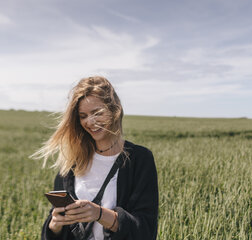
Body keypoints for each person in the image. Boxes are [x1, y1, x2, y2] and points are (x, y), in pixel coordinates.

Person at [32, 76, 158, 240]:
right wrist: (54, 225)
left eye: (97, 113)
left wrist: (99, 213)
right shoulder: (72, 161)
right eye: (83, 116)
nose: (90, 122)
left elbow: (145, 230)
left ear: (114, 109)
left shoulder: (140, 159)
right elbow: (55, 231)